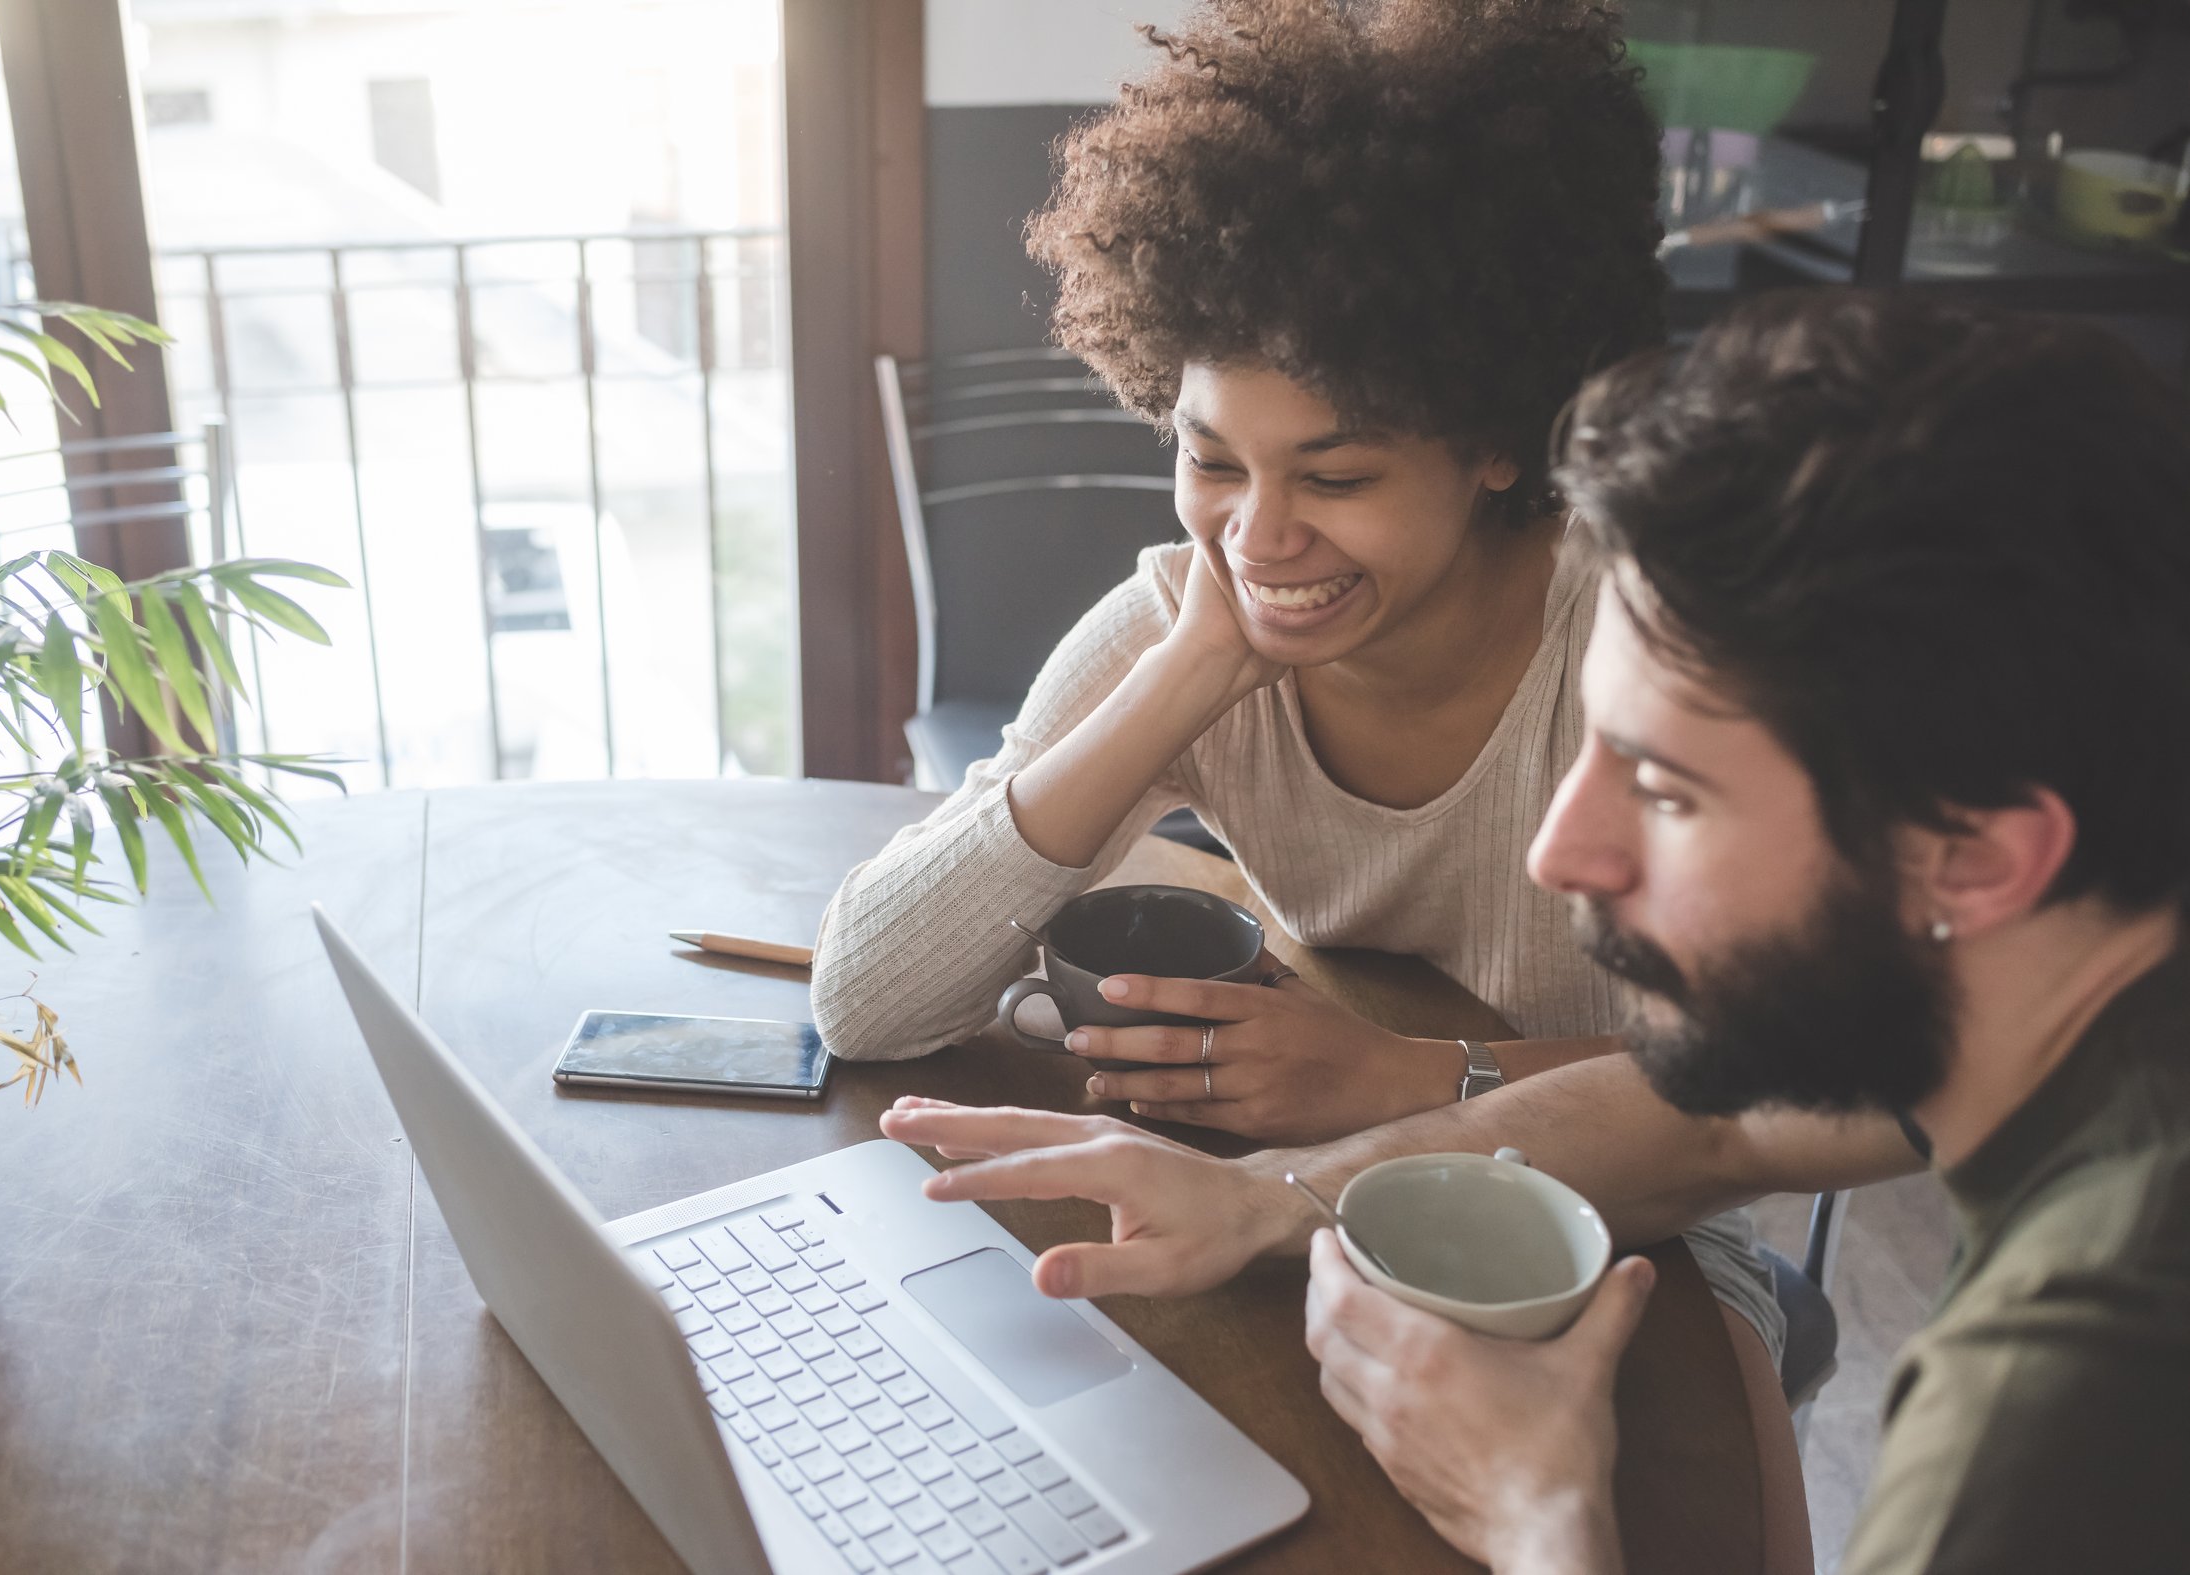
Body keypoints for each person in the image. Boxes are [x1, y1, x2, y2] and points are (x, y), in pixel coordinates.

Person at [880, 292, 2190, 1574]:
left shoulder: (2065, 1390)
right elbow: (1719, 1122)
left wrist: (1542, 1519)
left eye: (1668, 790)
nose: (1565, 855)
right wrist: (1266, 1204)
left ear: (1977, 860)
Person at [808, 5, 1805, 1509]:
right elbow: (865, 998)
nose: (1259, 538)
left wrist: (1406, 1078)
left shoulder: (1650, 634)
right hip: (1297, 1213)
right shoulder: (1186, 615)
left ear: (1493, 441)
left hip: (1631, 1230)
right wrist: (1187, 675)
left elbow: (1778, 1087)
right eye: (1213, 458)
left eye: (1334, 475)